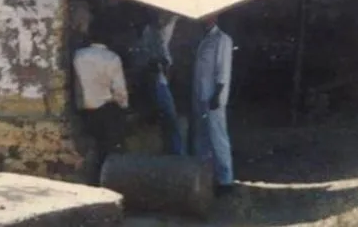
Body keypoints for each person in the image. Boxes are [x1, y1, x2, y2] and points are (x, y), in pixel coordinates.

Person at [72, 35, 129, 185]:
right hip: (105, 109)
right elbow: (120, 90)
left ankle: (89, 179)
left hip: (82, 109)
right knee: (108, 148)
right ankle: (106, 180)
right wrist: (124, 107)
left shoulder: (78, 55)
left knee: (89, 147)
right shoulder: (112, 58)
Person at [192, 14, 236, 196]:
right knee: (203, 138)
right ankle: (206, 177)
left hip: (213, 96)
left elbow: (222, 70)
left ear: (215, 18)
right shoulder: (204, 40)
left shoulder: (222, 39)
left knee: (218, 137)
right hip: (201, 94)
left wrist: (217, 94)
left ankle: (226, 180)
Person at [139, 10, 185, 156]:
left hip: (176, 80)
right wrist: (157, 64)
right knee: (169, 118)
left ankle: (179, 153)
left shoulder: (182, 26)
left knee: (177, 118)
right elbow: (146, 55)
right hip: (159, 80)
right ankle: (175, 154)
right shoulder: (151, 31)